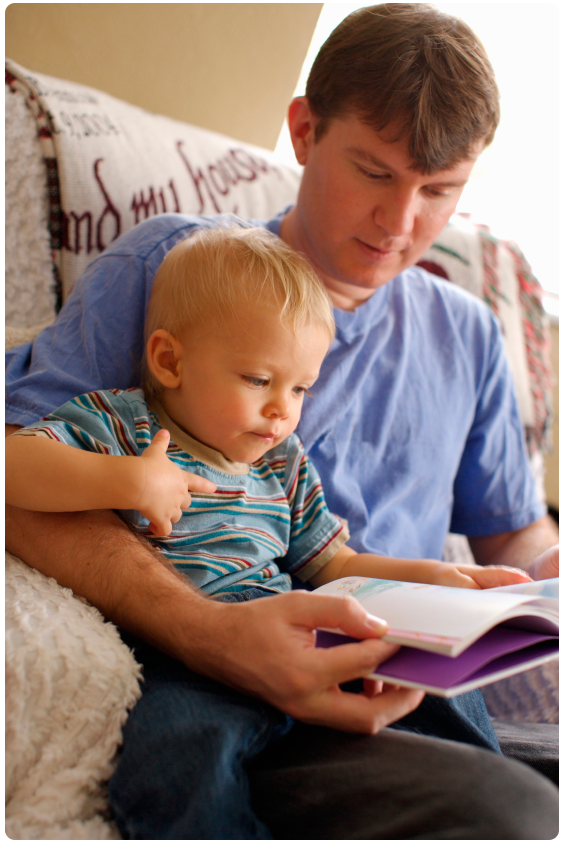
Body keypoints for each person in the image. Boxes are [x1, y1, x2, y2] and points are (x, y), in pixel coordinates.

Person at [4, 2, 559, 840]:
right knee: (514, 815)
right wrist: (208, 632)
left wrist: (533, 581)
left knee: (519, 776)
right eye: (374, 171)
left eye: (440, 191)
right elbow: (17, 475)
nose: (401, 224)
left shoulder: (470, 334)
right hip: (232, 671)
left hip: (405, 677)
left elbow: (513, 543)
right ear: (303, 130)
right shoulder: (176, 268)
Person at [5, 225, 534, 603]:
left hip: (283, 629)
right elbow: (12, 466)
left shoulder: (281, 464)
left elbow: (336, 565)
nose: (283, 409)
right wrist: (127, 481)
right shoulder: (126, 427)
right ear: (169, 361)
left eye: (301, 388)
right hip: (182, 657)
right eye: (258, 380)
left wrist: (435, 576)